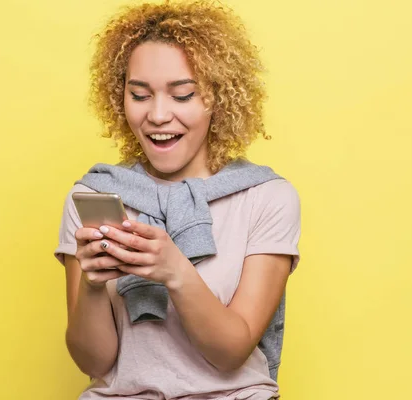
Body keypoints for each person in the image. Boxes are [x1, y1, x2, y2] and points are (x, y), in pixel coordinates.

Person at [54, 1, 301, 399]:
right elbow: (93, 363)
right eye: (140, 94)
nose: (157, 115)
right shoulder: (93, 195)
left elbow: (231, 352)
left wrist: (175, 271)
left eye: (182, 95)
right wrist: (93, 285)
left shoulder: (266, 198)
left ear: (217, 98)